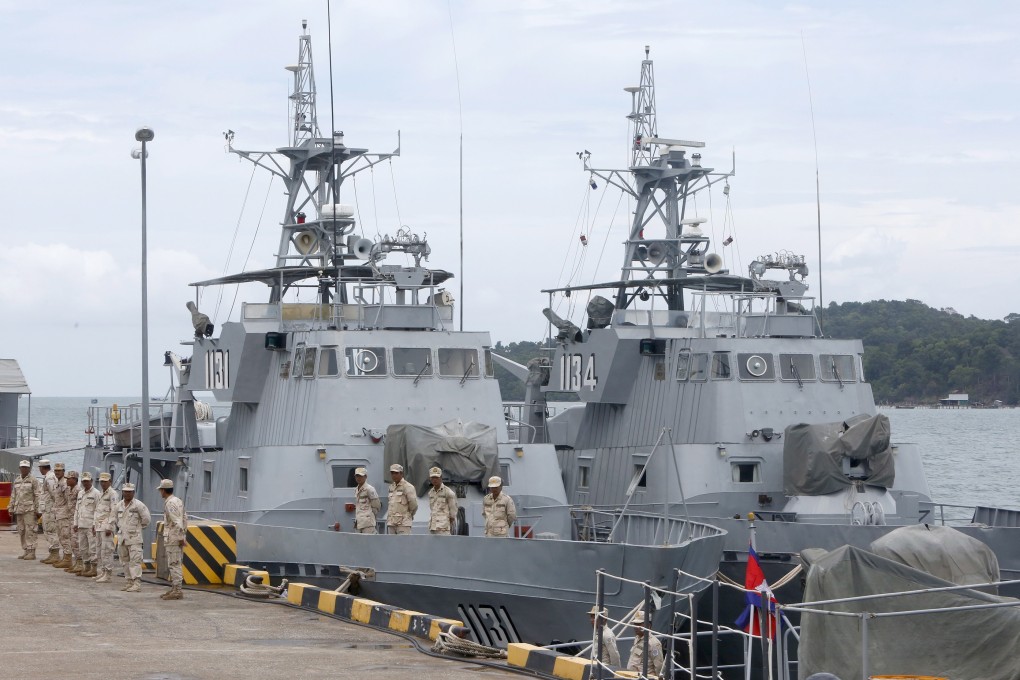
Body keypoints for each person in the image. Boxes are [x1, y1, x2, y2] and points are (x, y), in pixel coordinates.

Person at [113, 483, 151, 593]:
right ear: (122, 492)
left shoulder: (139, 505)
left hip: (134, 538)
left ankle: (136, 583)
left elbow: (146, 520)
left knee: (135, 561)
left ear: (133, 493)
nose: (127, 493)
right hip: (122, 538)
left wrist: (136, 529)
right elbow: (116, 519)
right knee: (124, 561)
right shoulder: (119, 506)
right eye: (125, 491)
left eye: (129, 491)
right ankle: (129, 581)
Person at [157, 478, 188, 600]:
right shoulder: (178, 501)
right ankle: (174, 588)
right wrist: (183, 534)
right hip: (176, 536)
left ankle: (178, 590)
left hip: (173, 538)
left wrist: (180, 537)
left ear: (164, 490)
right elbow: (185, 518)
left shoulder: (170, 503)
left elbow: (177, 521)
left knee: (174, 563)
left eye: (161, 490)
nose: (160, 492)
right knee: (175, 563)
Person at [10, 460, 41, 560]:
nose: (24, 469)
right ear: (19, 468)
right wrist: (10, 507)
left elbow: (37, 495)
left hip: (29, 510)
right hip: (19, 509)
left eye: (26, 467)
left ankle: (32, 551)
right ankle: (26, 550)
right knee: (21, 530)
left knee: (30, 530)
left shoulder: (33, 480)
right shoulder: (17, 480)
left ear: (29, 469)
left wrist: (38, 509)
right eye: (22, 467)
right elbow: (13, 495)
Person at [92, 472, 119, 583]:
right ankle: (103, 571)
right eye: (101, 481)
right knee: (99, 551)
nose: (102, 483)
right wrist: (94, 524)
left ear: (110, 482)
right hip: (99, 526)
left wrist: (109, 526)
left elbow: (114, 511)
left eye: (105, 481)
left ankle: (108, 574)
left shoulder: (113, 494)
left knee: (107, 550)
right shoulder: (101, 494)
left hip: (106, 527)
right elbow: (97, 510)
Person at [74, 472, 101, 578]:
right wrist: (75, 523)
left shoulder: (96, 493)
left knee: (92, 548)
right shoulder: (80, 493)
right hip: (81, 525)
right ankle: (86, 567)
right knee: (83, 548)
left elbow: (98, 510)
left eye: (87, 481)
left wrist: (95, 524)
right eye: (83, 481)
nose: (85, 483)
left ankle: (94, 568)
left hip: (90, 526)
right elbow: (77, 509)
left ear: (91, 481)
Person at [626, 611, 663, 677]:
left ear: (648, 626)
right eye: (635, 624)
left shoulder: (654, 643)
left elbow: (658, 666)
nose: (635, 627)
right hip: (633, 676)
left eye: (639, 624)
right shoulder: (637, 638)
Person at [49, 462, 73, 569]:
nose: (57, 472)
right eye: (56, 470)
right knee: (61, 537)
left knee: (65, 537)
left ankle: (68, 558)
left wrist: (69, 514)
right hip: (58, 514)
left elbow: (69, 500)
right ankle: (65, 557)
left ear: (64, 471)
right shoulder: (58, 483)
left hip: (64, 515)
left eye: (59, 470)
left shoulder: (64, 484)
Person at [38, 459, 59, 564]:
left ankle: (55, 554)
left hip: (50, 510)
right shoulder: (49, 476)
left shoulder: (50, 477)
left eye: (40, 468)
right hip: (47, 509)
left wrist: (54, 509)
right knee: (48, 531)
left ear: (42, 468)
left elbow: (54, 494)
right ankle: (52, 553)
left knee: (50, 531)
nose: (40, 470)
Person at [386, 464, 417, 535]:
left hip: (403, 524)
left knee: (404, 545)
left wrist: (409, 515)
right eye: (392, 473)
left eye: (396, 473)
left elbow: (413, 505)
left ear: (401, 474)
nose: (394, 475)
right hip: (391, 523)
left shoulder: (408, 487)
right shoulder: (391, 487)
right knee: (392, 545)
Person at [61, 470, 83, 573]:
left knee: (76, 542)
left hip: (76, 520)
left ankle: (80, 562)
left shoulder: (79, 491)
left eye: (69, 479)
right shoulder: (69, 489)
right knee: (72, 541)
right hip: (70, 518)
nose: (67, 481)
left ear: (74, 479)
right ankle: (77, 563)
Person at [427, 467, 458, 535]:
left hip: (443, 528)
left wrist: (446, 522)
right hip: (433, 526)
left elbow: (453, 512)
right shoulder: (430, 493)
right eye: (433, 477)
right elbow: (432, 508)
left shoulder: (448, 492)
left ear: (441, 477)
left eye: (437, 477)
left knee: (444, 545)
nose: (434, 480)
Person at [353, 467, 381, 534]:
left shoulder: (370, 489)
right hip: (359, 522)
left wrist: (370, 517)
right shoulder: (356, 489)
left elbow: (376, 506)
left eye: (361, 476)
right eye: (357, 476)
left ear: (365, 477)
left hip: (368, 524)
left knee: (370, 543)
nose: (358, 478)